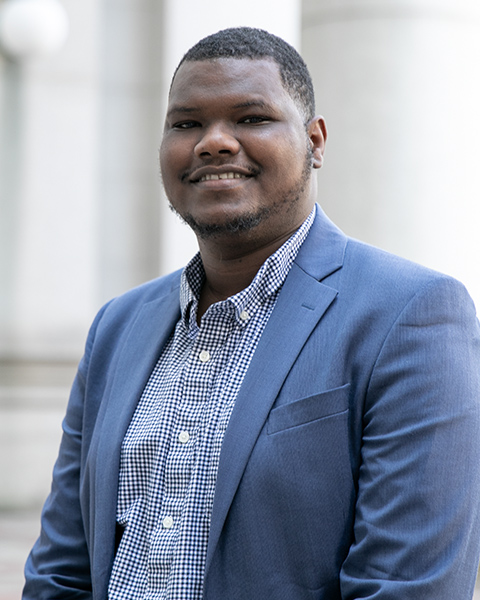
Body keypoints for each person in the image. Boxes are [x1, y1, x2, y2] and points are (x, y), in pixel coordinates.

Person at [23, 27, 480, 600]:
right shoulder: (117, 326)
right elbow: (60, 571)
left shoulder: (411, 315)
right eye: (186, 123)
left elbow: (406, 587)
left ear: (315, 141)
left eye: (251, 118)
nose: (213, 142)